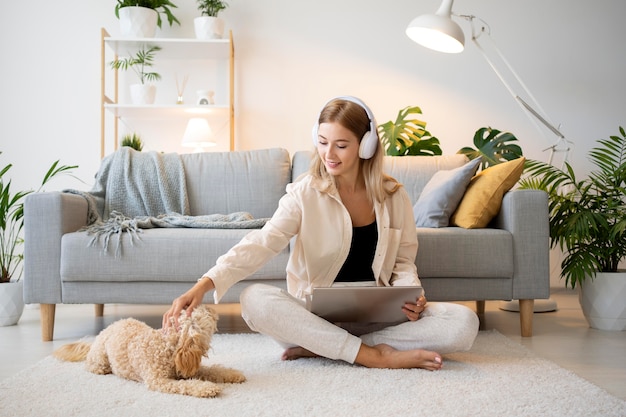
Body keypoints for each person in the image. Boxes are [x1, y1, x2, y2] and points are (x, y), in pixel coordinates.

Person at [163, 96, 479, 370]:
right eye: (323, 142)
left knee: (463, 323)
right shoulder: (304, 193)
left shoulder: (394, 196)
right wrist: (205, 284)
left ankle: (326, 347)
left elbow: (404, 262)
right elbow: (262, 242)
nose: (329, 154)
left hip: (377, 316)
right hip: (314, 317)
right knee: (254, 299)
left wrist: (412, 295)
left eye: (341, 145)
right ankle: (373, 355)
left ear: (365, 146)